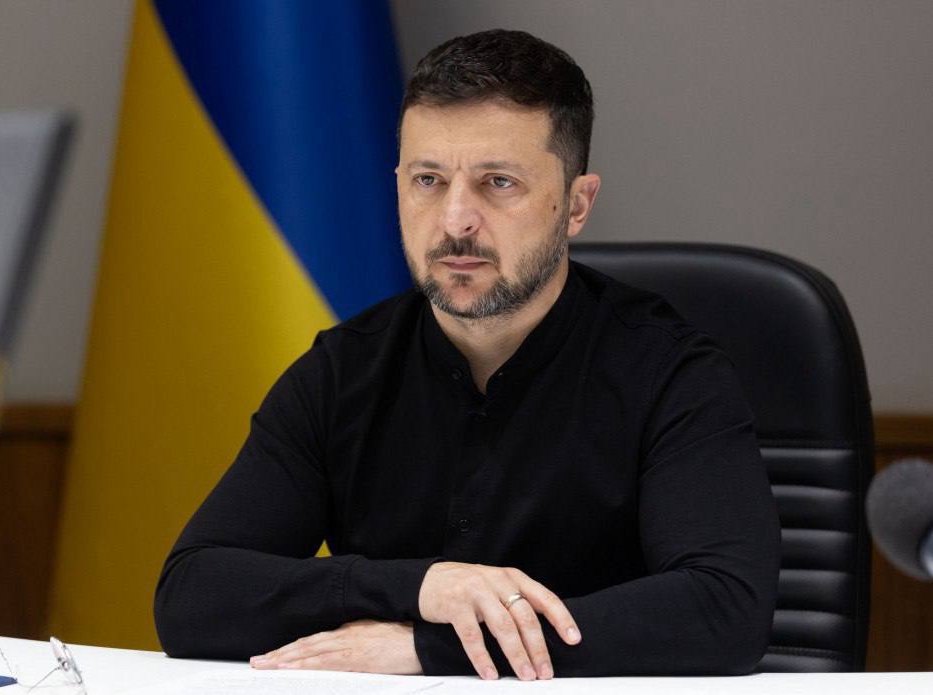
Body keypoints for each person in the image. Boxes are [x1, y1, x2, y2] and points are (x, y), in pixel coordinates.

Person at [154, 29, 780, 680]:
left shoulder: (671, 372)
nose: (455, 221)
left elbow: (725, 608)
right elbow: (191, 596)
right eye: (428, 180)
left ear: (576, 205)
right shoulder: (342, 371)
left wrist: (430, 649)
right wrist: (422, 586)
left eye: (497, 183)